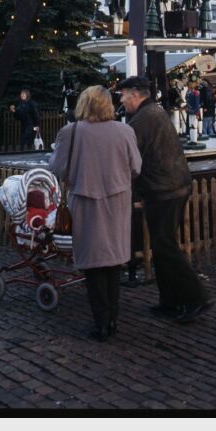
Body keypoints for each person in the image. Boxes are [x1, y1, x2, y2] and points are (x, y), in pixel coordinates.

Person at [48, 86, 141, 341]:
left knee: (93, 264)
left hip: (87, 201)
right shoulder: (125, 131)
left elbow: (58, 167)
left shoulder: (72, 132)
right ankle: (111, 320)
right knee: (113, 261)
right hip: (118, 200)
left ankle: (101, 323)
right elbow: (136, 167)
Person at [119, 76, 212, 322]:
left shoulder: (142, 120)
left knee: (165, 246)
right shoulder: (154, 113)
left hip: (163, 189)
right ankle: (169, 300)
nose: (121, 99)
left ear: (136, 94)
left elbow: (129, 156)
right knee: (162, 247)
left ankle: (196, 297)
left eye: (124, 94)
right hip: (171, 186)